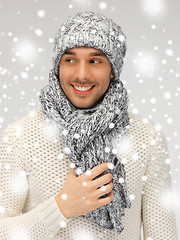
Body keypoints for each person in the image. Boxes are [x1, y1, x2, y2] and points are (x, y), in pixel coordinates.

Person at [0, 11, 177, 240]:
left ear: (113, 69)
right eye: (70, 60)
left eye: (95, 61)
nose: (81, 75)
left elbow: (163, 236)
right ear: (58, 66)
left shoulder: (146, 137)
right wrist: (62, 207)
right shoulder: (19, 136)